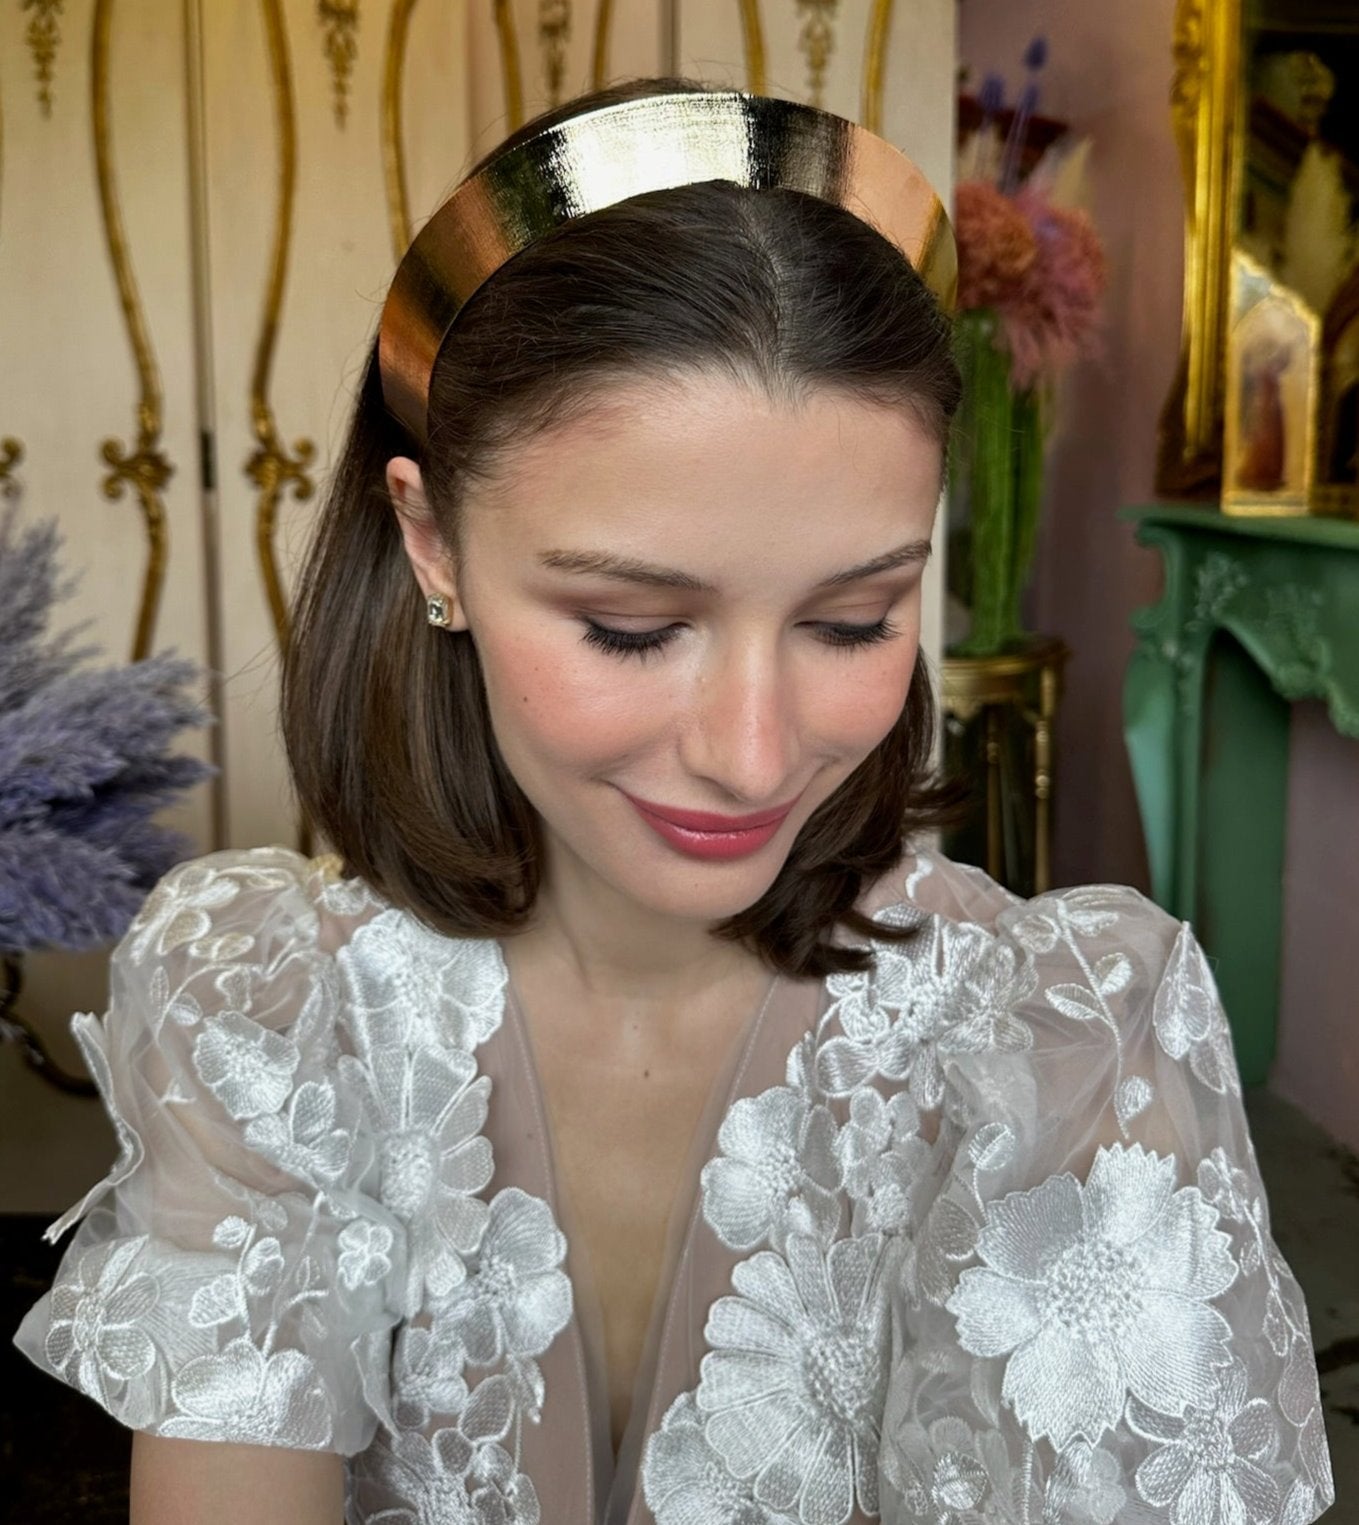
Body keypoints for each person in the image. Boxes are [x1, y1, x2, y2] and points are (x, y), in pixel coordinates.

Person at [14, 76, 1334, 1525]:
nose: (753, 756)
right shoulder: (268, 1012)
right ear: (432, 541)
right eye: (632, 629)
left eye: (852, 620)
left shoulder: (1064, 1050)